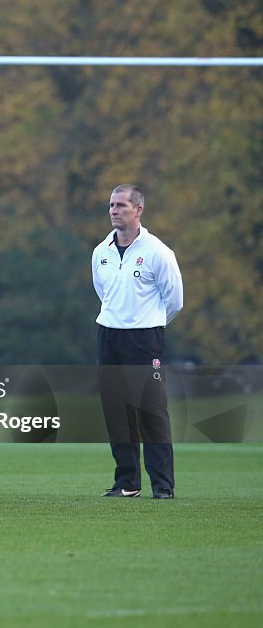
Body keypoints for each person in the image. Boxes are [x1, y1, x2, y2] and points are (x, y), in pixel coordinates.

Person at [92, 184, 183, 500]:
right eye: (111, 205)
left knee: (151, 411)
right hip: (109, 336)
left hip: (145, 338)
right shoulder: (100, 251)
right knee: (117, 412)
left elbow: (174, 300)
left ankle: (162, 485)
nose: (114, 210)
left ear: (138, 210)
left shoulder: (157, 252)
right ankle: (127, 483)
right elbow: (103, 293)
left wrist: (149, 324)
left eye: (121, 205)